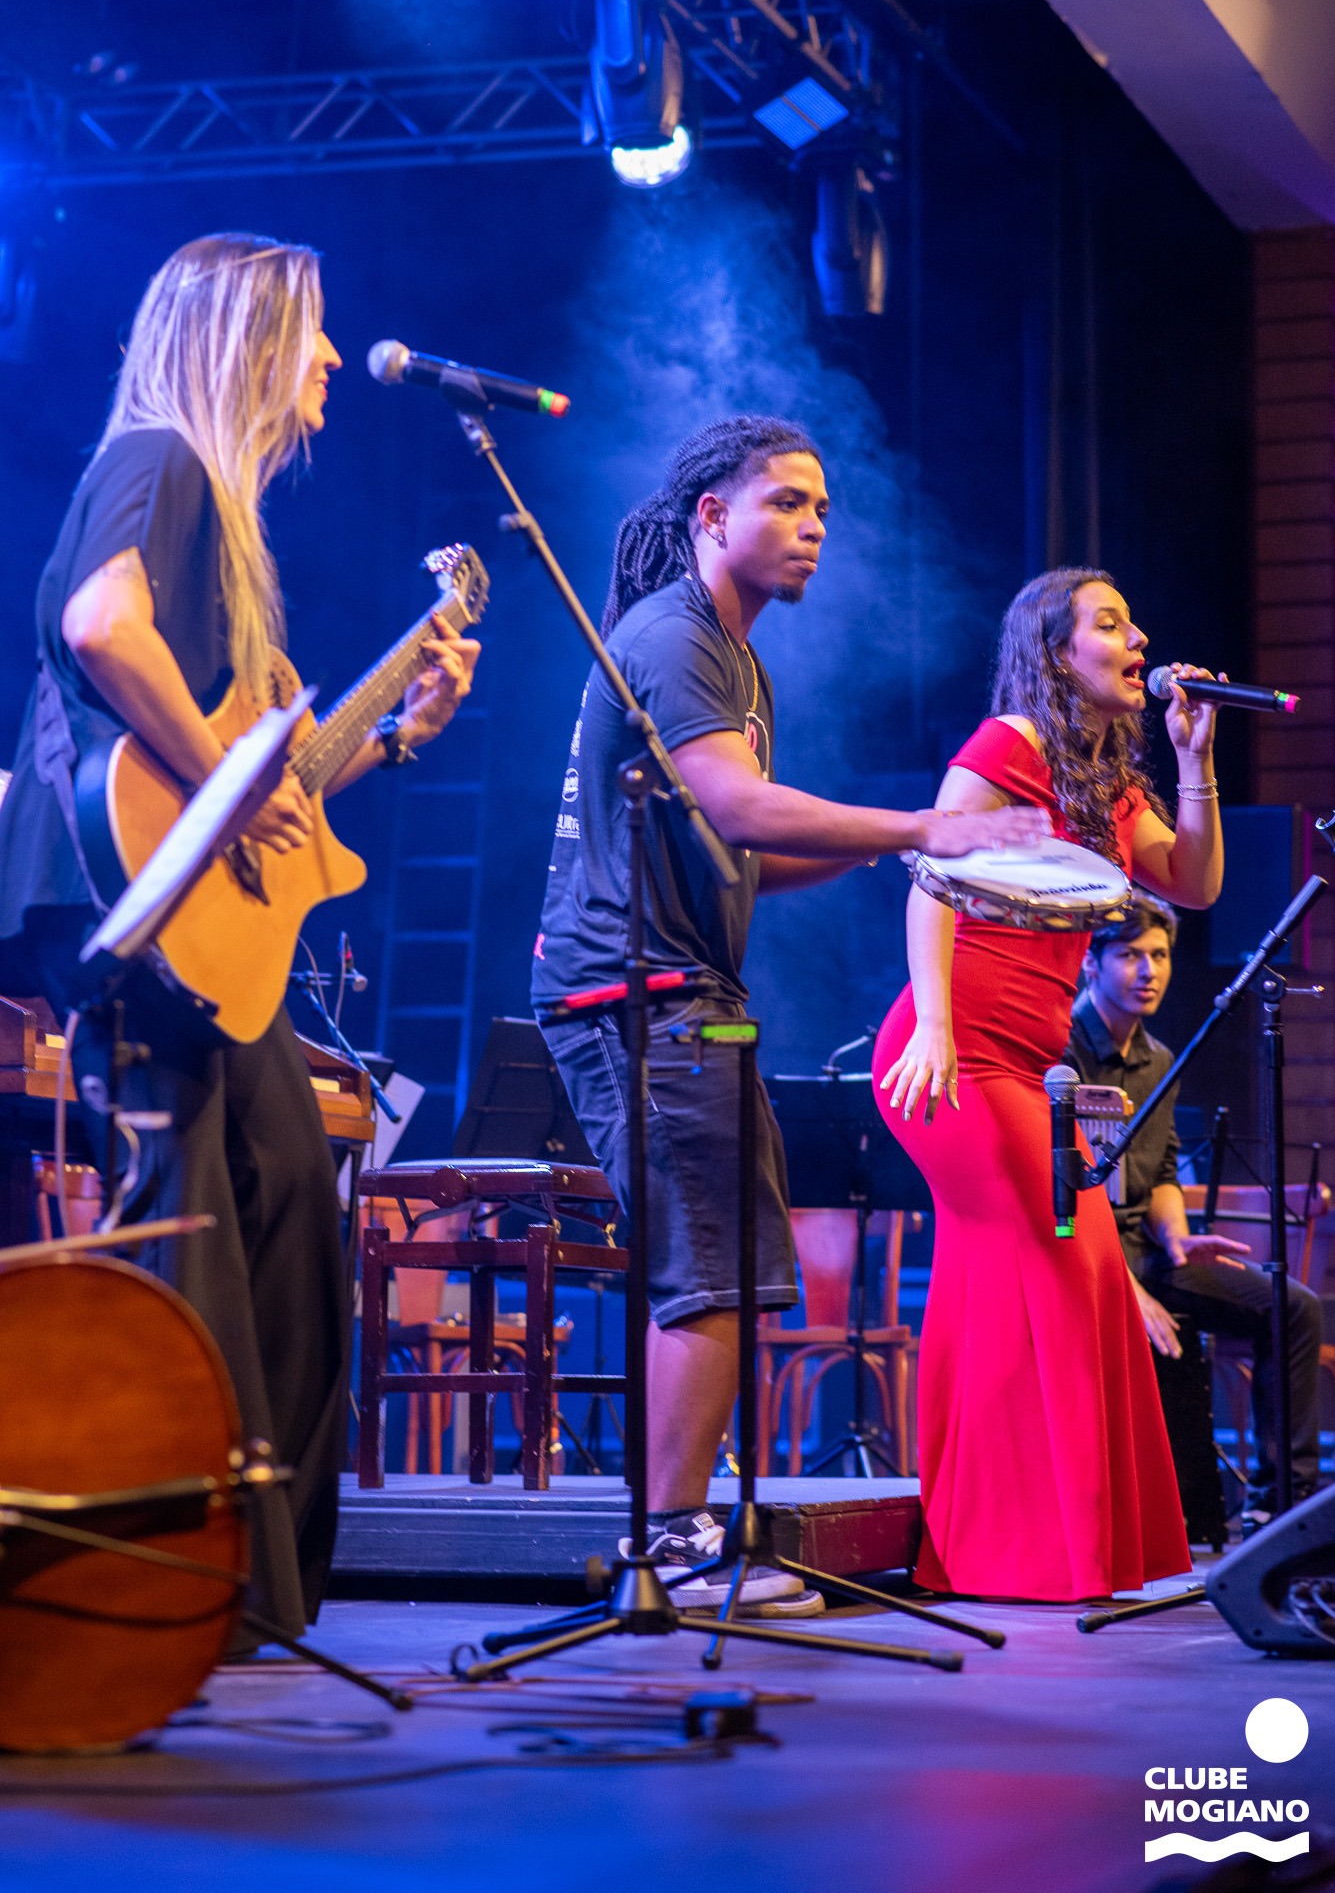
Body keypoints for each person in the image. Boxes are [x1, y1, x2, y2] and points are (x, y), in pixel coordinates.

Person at [0, 233, 479, 1644]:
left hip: (187, 924)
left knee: (283, 1207)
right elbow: (103, 627)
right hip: (119, 907)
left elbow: (280, 804)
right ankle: (165, 1582)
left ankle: (254, 1586)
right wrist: (223, 769)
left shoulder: (222, 528)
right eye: (310, 329)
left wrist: (397, 736)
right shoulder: (157, 459)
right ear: (245, 342)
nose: (329, 354)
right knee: (200, 1225)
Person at [531, 415, 1049, 1612]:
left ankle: (683, 1523)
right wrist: (926, 824)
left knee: (734, 1258)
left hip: (690, 990)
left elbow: (746, 854)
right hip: (633, 989)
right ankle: (673, 1540)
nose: (814, 526)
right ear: (713, 515)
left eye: (822, 507)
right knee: (709, 1265)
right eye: (787, 502)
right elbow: (741, 807)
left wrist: (906, 853)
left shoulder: (737, 662)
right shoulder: (673, 635)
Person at [873, 568, 1226, 1602]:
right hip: (950, 1052)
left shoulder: (1109, 781)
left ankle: (1003, 1544)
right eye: (1110, 623)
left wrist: (1194, 757)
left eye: (1133, 620)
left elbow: (1195, 881)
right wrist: (935, 1021)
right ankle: (1035, 1548)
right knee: (1073, 1266)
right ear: (1055, 651)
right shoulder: (1012, 744)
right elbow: (932, 874)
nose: (1137, 637)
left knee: (1018, 1283)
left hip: (1024, 1067)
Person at [1065, 893, 1324, 1535]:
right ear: (1092, 963)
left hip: (1142, 1251)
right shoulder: (1061, 1053)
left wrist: (1178, 1238)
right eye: (1130, 955)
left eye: (1159, 956)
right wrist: (1124, 1290)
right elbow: (1059, 1194)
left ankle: (1279, 1504)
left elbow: (1160, 1171)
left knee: (1292, 1307)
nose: (1148, 971)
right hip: (1077, 1256)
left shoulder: (1159, 1059)